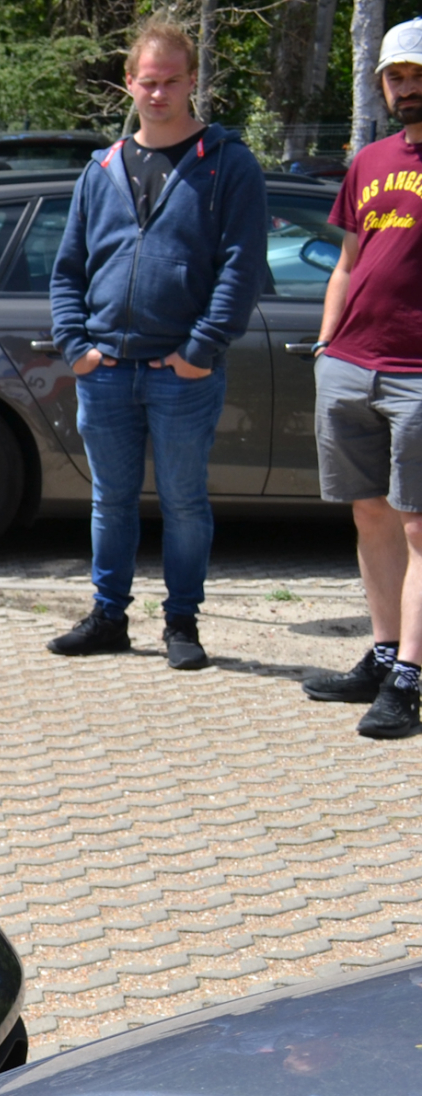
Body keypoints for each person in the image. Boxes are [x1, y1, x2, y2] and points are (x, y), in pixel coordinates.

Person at [46, 16, 268, 669]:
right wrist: (75, 345)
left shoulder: (227, 165)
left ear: (194, 80)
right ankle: (108, 616)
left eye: (173, 81)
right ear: (129, 83)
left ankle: (181, 622)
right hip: (106, 368)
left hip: (183, 372)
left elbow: (241, 268)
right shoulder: (102, 169)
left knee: (184, 502)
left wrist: (202, 349)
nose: (161, 93)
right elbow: (68, 268)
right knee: (109, 500)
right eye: (149, 81)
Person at [300, 17, 422, 739]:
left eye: (417, 75)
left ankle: (409, 678)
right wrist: (325, 347)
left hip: (417, 372)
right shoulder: (370, 161)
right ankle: (382, 654)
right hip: (352, 364)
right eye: (396, 76)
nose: (407, 88)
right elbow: (348, 264)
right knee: (370, 513)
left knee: (420, 526)